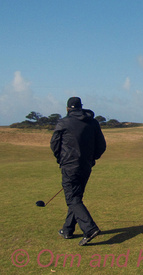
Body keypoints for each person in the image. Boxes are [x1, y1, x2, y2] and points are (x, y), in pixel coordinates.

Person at [50, 97, 106, 246]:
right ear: (81, 107)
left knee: (72, 199)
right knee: (76, 197)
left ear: (68, 108)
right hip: (86, 166)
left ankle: (90, 229)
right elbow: (101, 145)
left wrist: (60, 159)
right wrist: (92, 159)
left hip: (69, 166)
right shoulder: (93, 122)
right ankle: (67, 230)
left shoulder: (63, 122)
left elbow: (54, 145)